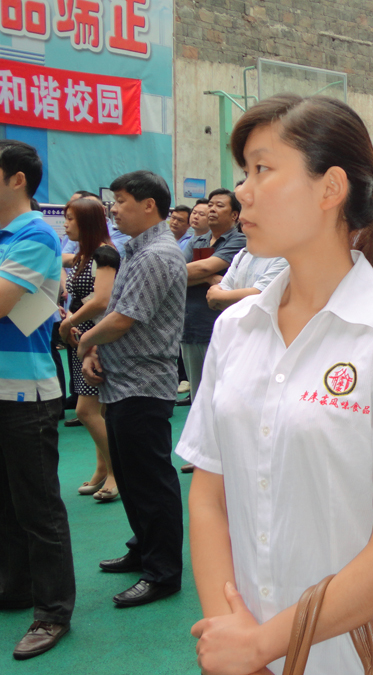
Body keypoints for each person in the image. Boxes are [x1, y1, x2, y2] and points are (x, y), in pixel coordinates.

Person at [177, 94, 373, 675]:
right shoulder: (236, 327)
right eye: (244, 172)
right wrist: (232, 632)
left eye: (262, 169)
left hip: (350, 656)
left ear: (330, 189)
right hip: (241, 647)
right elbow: (209, 496)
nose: (243, 192)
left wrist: (263, 644)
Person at [76, 170, 187, 608]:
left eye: (121, 201)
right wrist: (96, 349)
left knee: (150, 482)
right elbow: (117, 310)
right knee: (133, 477)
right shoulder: (136, 249)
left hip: (143, 384)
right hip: (122, 381)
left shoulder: (157, 254)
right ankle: (144, 549)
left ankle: (163, 573)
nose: (113, 209)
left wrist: (84, 340)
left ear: (149, 205)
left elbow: (124, 319)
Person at [0, 139, 76, 660]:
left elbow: (3, 301)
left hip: (26, 394)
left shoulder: (35, 234)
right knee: (7, 503)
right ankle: (16, 587)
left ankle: (52, 613)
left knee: (38, 507)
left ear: (17, 179)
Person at [58, 198, 121, 502]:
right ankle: (102, 469)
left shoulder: (104, 254)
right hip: (81, 337)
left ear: (87, 222)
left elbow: (102, 300)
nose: (65, 225)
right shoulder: (82, 255)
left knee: (86, 410)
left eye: (70, 219)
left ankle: (117, 472)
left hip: (98, 339)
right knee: (98, 410)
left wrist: (70, 321)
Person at [179, 188, 246, 415]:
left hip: (219, 327)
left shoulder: (239, 240)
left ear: (235, 215)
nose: (212, 210)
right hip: (190, 326)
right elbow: (177, 274)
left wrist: (201, 273)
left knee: (220, 399)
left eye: (219, 205)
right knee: (197, 400)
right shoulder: (197, 240)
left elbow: (204, 266)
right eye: (210, 205)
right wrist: (208, 278)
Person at [205, 247, 288, 310]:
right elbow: (224, 287)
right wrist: (221, 296)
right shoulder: (243, 253)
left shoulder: (287, 257)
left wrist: (217, 296)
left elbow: (260, 296)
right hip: (235, 324)